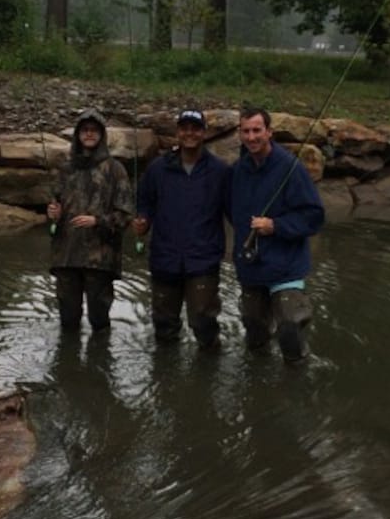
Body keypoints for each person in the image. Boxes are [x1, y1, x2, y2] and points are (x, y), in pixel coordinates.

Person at [229, 106, 325, 362]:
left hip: (286, 265)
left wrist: (276, 226)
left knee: (289, 328)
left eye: (257, 130)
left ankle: (296, 378)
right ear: (240, 133)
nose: (252, 137)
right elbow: (232, 214)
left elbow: (314, 216)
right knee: (253, 328)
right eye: (246, 131)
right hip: (251, 265)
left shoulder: (291, 169)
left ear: (269, 132)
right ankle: (259, 382)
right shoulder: (238, 170)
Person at [133, 109, 231, 349]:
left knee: (203, 323)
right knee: (163, 325)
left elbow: (235, 209)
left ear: (203, 133)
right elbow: (144, 202)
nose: (189, 133)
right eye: (184, 128)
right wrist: (142, 220)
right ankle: (166, 380)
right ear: (177, 132)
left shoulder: (220, 171)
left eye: (195, 128)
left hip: (203, 259)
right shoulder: (157, 169)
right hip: (165, 258)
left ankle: (208, 376)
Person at [47, 109, 134, 332]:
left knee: (99, 320)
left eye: (94, 130)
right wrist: (52, 214)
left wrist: (97, 221)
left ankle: (100, 363)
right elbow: (54, 206)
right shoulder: (65, 169)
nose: (89, 134)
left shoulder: (115, 170)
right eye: (84, 130)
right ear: (77, 135)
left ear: (102, 135)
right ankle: (68, 365)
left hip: (100, 259)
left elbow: (125, 215)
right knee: (68, 320)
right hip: (66, 256)